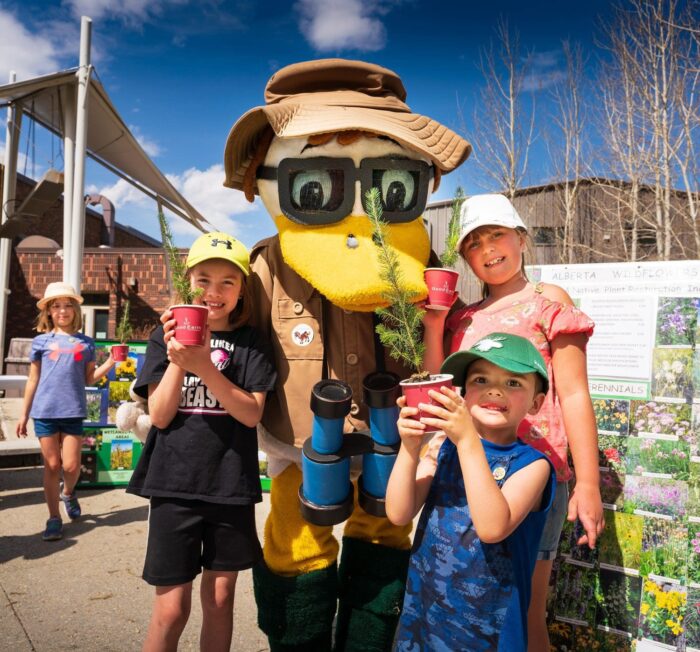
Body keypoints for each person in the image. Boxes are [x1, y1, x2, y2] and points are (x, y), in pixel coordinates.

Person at [223, 58, 471, 651]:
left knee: (385, 540)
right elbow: (233, 332)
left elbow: (445, 340)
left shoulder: (424, 262)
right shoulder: (266, 263)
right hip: (303, 439)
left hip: (396, 436)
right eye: (315, 185)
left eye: (392, 184)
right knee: (296, 546)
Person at [422, 193, 604, 650]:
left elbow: (575, 392)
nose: (487, 249)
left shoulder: (549, 301)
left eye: (496, 235)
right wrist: (434, 323)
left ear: (521, 237)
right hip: (469, 470)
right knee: (467, 599)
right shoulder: (463, 316)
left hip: (533, 471)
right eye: (474, 243)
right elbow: (437, 382)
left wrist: (588, 484)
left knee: (524, 609)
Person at [126, 232, 277, 652]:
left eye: (228, 281)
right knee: (171, 609)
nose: (215, 291)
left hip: (230, 485)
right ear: (187, 282)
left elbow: (251, 412)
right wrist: (181, 355)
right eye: (204, 279)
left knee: (220, 598)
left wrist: (207, 366)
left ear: (242, 289)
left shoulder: (252, 342)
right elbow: (158, 414)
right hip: (174, 485)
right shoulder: (163, 336)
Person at [387, 332, 556, 650]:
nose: (494, 389)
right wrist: (410, 448)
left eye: (513, 383)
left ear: (536, 403)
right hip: (424, 616)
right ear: (463, 394)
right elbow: (398, 513)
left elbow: (492, 528)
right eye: (481, 379)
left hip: (488, 631)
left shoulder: (533, 466)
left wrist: (467, 440)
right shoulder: (442, 446)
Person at [17, 281, 116, 541]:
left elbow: (90, 378)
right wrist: (23, 414)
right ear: (48, 312)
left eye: (67, 305)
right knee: (52, 465)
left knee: (71, 466)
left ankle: (68, 493)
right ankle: (53, 518)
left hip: (73, 411)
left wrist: (112, 362)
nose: (63, 310)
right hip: (45, 411)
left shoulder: (86, 343)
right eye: (56, 306)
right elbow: (32, 379)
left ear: (75, 310)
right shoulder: (40, 341)